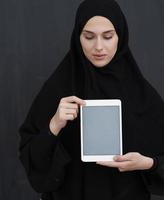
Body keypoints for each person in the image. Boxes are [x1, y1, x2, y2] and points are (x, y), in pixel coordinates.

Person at [18, 0, 164, 199]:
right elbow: (31, 156)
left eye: (108, 36)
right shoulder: (59, 88)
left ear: (120, 37)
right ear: (78, 37)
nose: (98, 47)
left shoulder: (141, 94)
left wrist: (148, 163)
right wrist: (54, 125)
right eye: (88, 37)